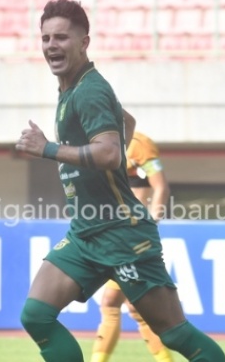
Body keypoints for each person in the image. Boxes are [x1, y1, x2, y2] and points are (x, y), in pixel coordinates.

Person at [15, 0, 225, 362]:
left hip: (121, 232)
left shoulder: (88, 91)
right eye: (46, 37)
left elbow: (111, 153)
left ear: (84, 42)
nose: (52, 45)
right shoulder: (73, 88)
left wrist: (48, 149)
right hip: (86, 233)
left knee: (174, 333)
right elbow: (126, 122)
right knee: (36, 314)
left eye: (62, 37)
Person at [92, 131, 173, 362]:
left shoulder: (138, 145)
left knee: (111, 303)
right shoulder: (97, 143)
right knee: (136, 308)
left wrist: (149, 225)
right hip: (115, 233)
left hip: (132, 235)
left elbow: (161, 188)